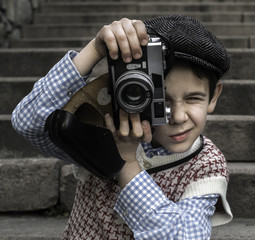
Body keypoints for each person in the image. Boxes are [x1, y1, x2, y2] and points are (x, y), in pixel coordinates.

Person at [12, 14, 232, 239]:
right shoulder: (103, 129)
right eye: (161, 99)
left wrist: (127, 163)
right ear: (128, 90)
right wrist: (94, 51)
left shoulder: (206, 164)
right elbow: (28, 123)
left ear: (214, 96)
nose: (177, 116)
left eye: (193, 98)